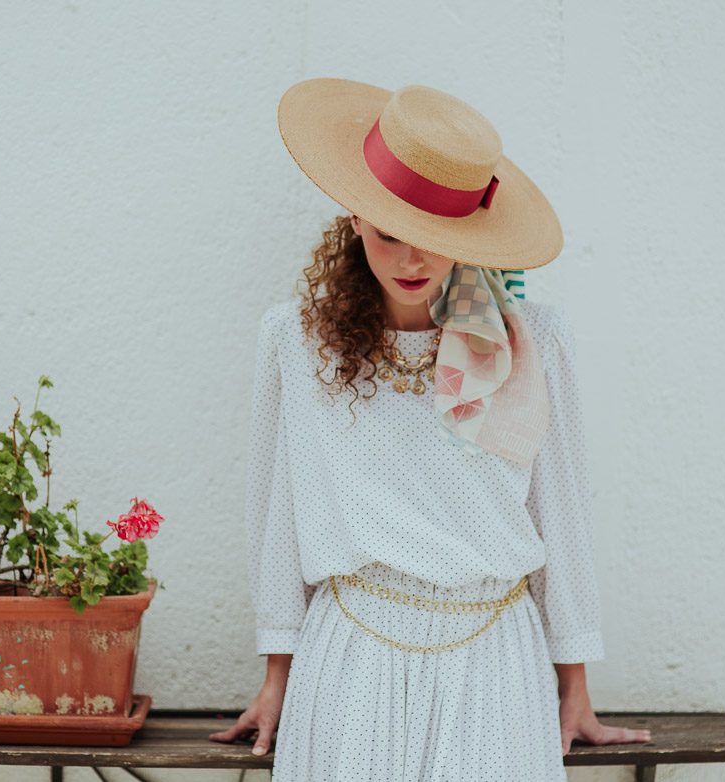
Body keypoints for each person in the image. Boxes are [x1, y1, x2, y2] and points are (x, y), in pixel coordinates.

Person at [209, 78, 650, 780]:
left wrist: (575, 689)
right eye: (390, 234)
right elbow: (277, 511)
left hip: (496, 659)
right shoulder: (296, 340)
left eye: (434, 239)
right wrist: (276, 671)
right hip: (349, 653)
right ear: (355, 217)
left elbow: (559, 508)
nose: (412, 261)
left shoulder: (531, 341)